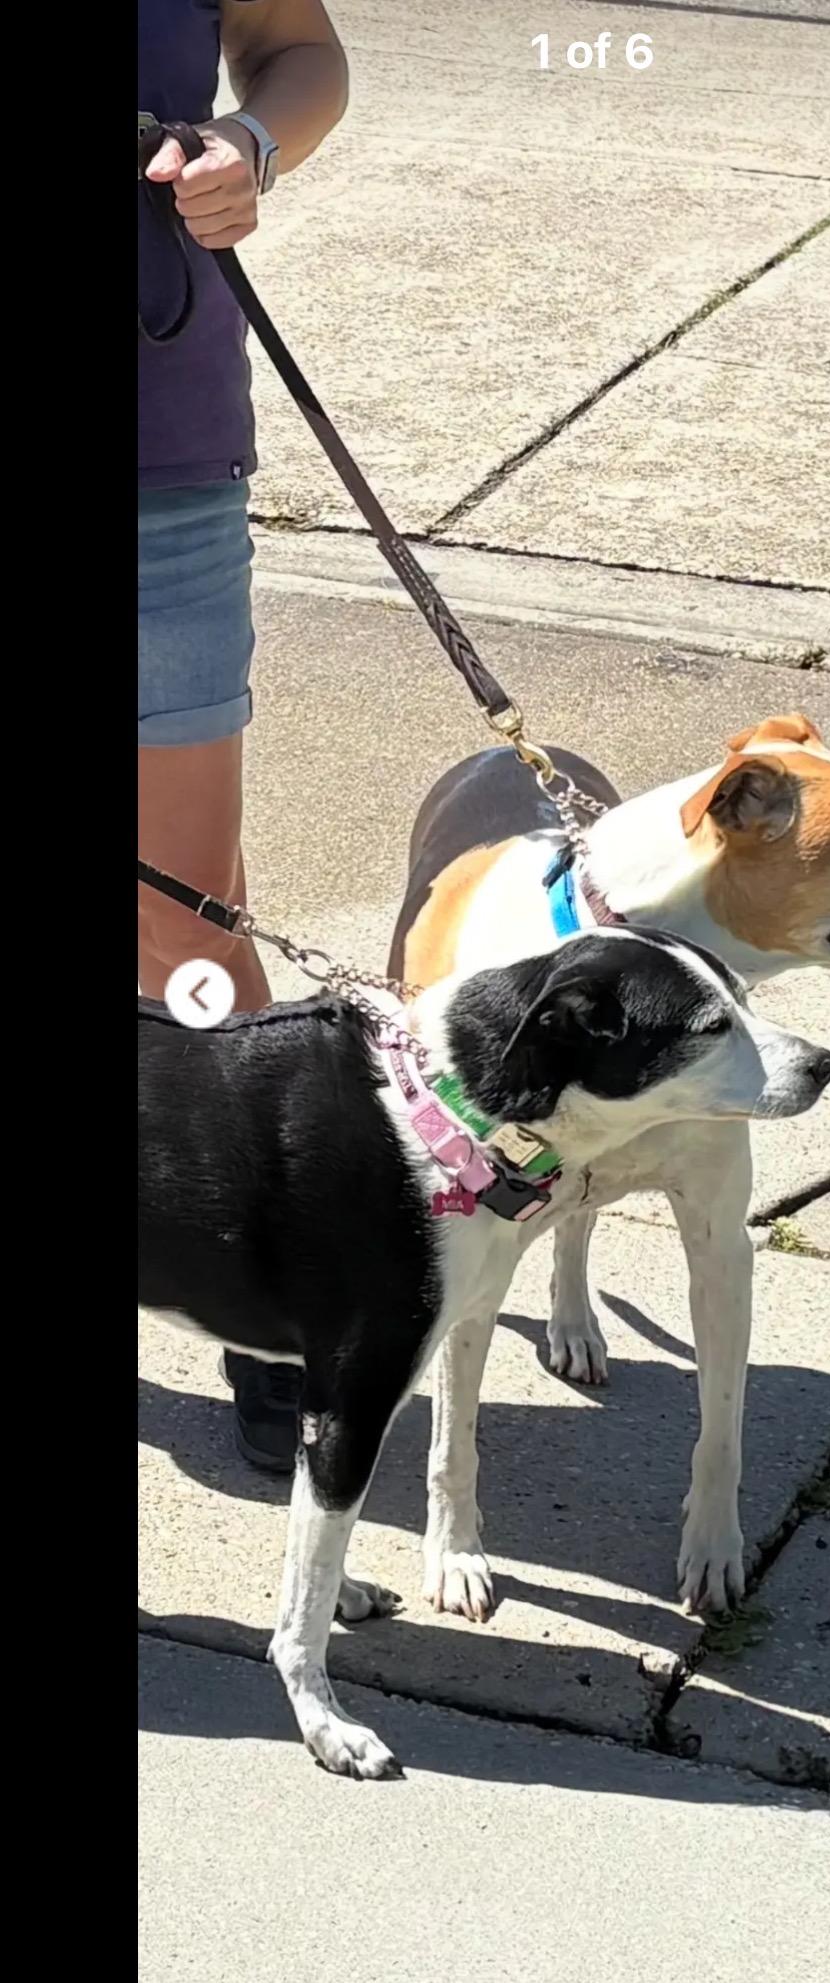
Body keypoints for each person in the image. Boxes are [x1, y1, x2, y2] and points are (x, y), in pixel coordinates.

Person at [139, 1, 348, 1469]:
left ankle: (279, 1292)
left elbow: (300, 50)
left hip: (161, 466)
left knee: (183, 924)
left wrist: (249, 146)